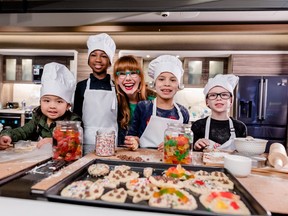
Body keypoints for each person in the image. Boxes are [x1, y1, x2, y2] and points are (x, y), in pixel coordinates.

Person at [0, 62, 81, 150]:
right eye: (47, 100)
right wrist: (7, 135)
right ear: (40, 102)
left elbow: (74, 140)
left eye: (59, 101)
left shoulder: (72, 120)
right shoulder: (39, 117)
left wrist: (54, 140)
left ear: (68, 105)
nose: (52, 106)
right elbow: (23, 131)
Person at [125, 55, 190, 150]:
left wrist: (174, 144)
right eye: (161, 79)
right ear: (154, 84)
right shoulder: (143, 107)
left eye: (172, 80)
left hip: (171, 160)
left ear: (178, 85)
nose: (167, 84)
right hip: (144, 160)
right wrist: (133, 142)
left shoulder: (183, 112)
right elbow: (133, 136)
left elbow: (186, 142)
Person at [73, 33, 117, 154]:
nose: (98, 59)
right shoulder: (81, 86)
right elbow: (76, 117)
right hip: (85, 142)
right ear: (88, 60)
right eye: (93, 55)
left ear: (109, 62)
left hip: (111, 142)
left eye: (103, 56)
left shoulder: (117, 87)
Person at [192, 74, 247, 151]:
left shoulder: (240, 127)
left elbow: (243, 154)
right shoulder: (198, 125)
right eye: (213, 95)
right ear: (207, 101)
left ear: (231, 100)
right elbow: (190, 153)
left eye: (224, 95)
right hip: (206, 163)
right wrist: (195, 146)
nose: (218, 98)